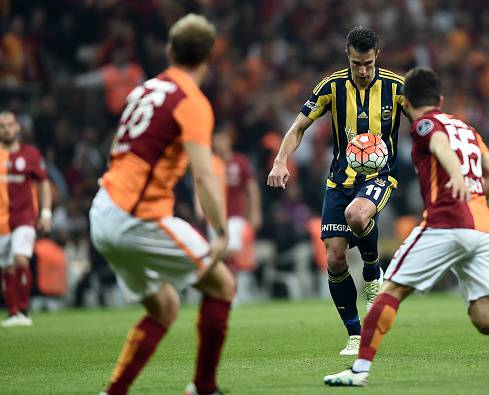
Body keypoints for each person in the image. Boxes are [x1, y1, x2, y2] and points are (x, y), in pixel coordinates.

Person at [323, 67, 489, 387]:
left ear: (406, 100)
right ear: (441, 99)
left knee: (390, 292)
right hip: (485, 229)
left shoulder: (425, 124)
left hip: (446, 223)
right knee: (484, 316)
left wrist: (455, 177)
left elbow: (439, 142)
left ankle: (358, 370)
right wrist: (470, 191)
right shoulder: (469, 130)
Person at [90, 14, 234, 395]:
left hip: (103, 209)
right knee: (221, 285)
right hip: (135, 215)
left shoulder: (143, 90)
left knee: (164, 307)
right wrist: (220, 231)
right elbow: (203, 175)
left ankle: (114, 391)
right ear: (210, 56)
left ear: (170, 51)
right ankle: (204, 388)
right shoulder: (192, 101)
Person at [267, 26, 406, 355]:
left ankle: (373, 272)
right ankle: (355, 335)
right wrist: (280, 161)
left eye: (368, 64)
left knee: (357, 216)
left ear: (377, 57)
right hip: (338, 181)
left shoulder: (397, 87)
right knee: (335, 258)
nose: (362, 71)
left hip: (379, 176)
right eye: (357, 63)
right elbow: (299, 125)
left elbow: (423, 119)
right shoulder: (331, 87)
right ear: (348, 55)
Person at [0, 111, 52, 327]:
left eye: (10, 125)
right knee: (6, 268)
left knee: (21, 259)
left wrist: (46, 213)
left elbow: (44, 184)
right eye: (2, 126)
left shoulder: (30, 154)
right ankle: (13, 313)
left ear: (18, 127)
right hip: (2, 220)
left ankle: (23, 309)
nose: (6, 129)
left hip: (25, 216)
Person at [212, 124, 262, 271]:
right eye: (217, 140)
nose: (220, 143)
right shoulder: (210, 163)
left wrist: (255, 213)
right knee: (221, 250)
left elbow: (252, 189)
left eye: (222, 140)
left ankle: (234, 283)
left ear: (229, 141)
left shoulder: (240, 161)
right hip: (215, 217)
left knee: (231, 249)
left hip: (236, 215)